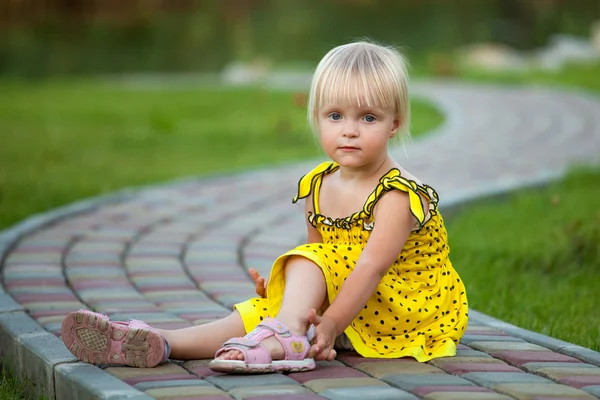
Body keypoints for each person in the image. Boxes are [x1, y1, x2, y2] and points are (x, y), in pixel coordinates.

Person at [61, 40, 468, 374]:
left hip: (405, 305)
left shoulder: (397, 195)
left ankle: (287, 339)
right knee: (258, 312)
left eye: (368, 118)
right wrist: (294, 294)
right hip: (353, 300)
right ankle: (165, 341)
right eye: (335, 115)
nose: (349, 130)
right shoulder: (318, 185)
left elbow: (370, 267)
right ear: (317, 118)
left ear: (394, 123)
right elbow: (323, 255)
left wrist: (329, 323)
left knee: (293, 298)